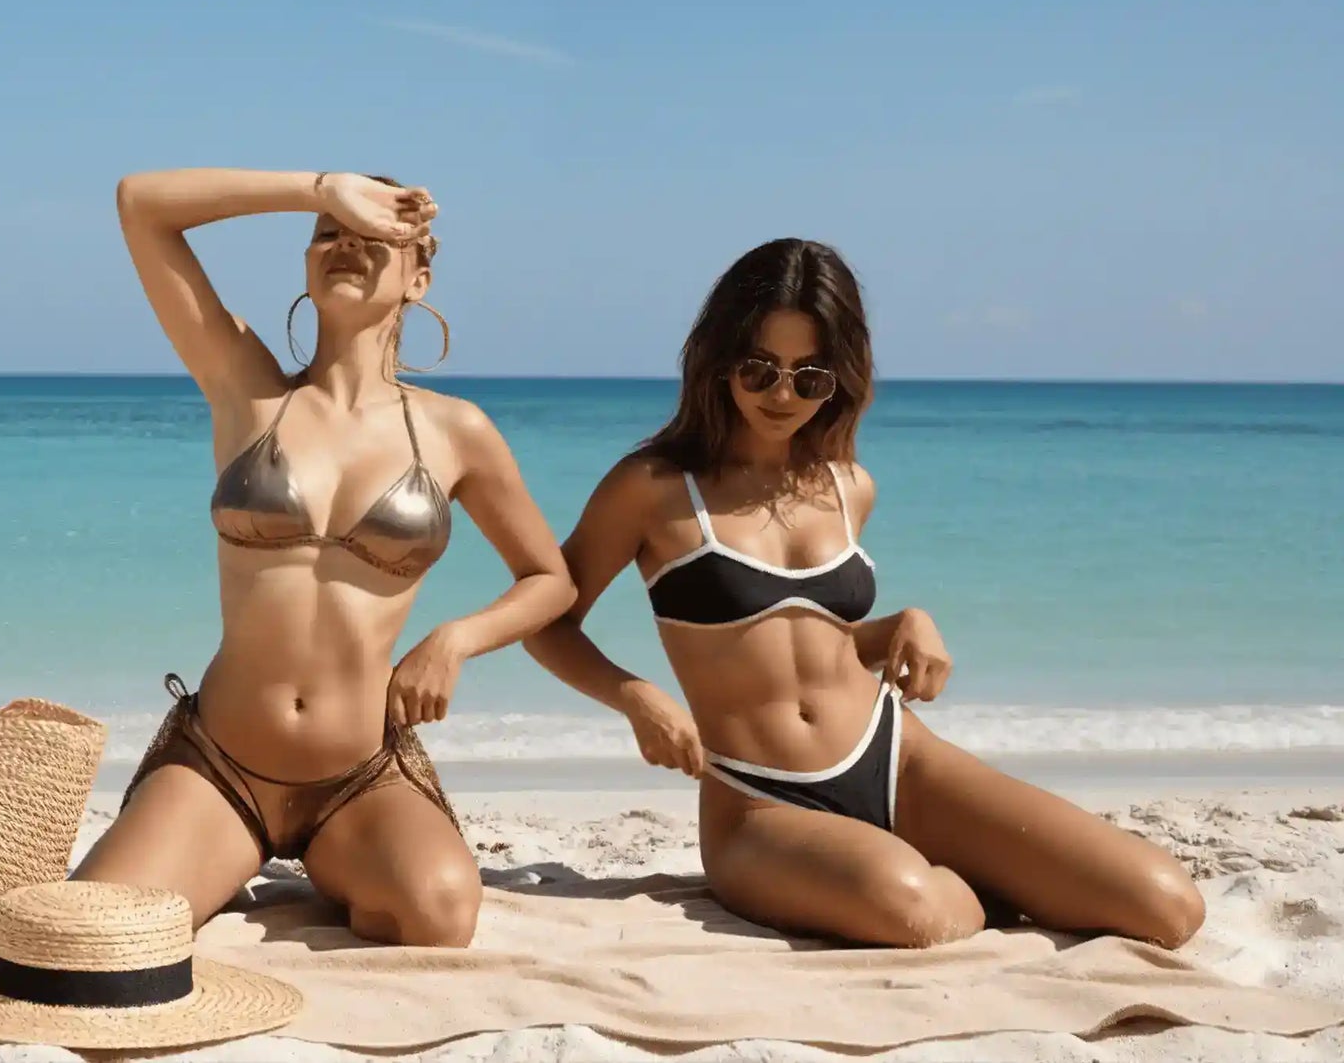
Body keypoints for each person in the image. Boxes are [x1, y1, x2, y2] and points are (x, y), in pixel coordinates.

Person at [521, 238, 1203, 948]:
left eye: (809, 377)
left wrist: (910, 620)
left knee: (1166, 905)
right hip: (760, 803)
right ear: (719, 363)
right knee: (906, 906)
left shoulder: (850, 485)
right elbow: (547, 620)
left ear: (840, 376)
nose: (782, 395)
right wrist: (636, 695)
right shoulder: (653, 488)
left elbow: (813, 643)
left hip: (898, 757)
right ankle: (977, 880)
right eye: (760, 370)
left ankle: (967, 870)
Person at [70, 169, 576, 948]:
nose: (346, 245)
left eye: (375, 238)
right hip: (221, 765)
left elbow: (550, 579)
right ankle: (227, 854)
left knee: (438, 914)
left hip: (360, 776)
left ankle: (340, 865)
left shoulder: (456, 431)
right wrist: (319, 189)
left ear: (420, 277)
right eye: (330, 235)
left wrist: (454, 640)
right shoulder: (250, 391)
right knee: (94, 936)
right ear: (307, 266)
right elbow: (141, 205)